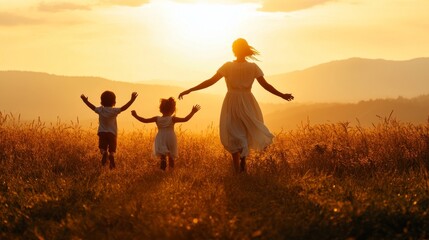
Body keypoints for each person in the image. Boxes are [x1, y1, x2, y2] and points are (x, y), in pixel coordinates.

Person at [178, 38, 294, 174]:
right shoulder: (253, 67)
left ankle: (237, 167)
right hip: (248, 101)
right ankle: (242, 162)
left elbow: (210, 81)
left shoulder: (228, 66)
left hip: (232, 101)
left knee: (233, 132)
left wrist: (190, 89)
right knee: (244, 131)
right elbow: (266, 85)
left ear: (233, 50)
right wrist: (282, 95)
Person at [131, 97, 201, 171]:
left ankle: (162, 170)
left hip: (160, 137)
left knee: (163, 157)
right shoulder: (172, 119)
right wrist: (192, 112)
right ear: (173, 109)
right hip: (171, 137)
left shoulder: (157, 118)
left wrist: (136, 116)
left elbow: (144, 120)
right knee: (171, 156)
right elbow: (185, 119)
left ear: (161, 109)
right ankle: (171, 171)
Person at [81, 91, 138, 169]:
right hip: (112, 134)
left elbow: (92, 107)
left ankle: (104, 153)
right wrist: (132, 100)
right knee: (112, 150)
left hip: (102, 133)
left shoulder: (100, 110)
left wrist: (85, 101)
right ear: (114, 101)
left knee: (102, 148)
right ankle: (111, 155)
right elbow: (124, 108)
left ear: (101, 101)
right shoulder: (114, 111)